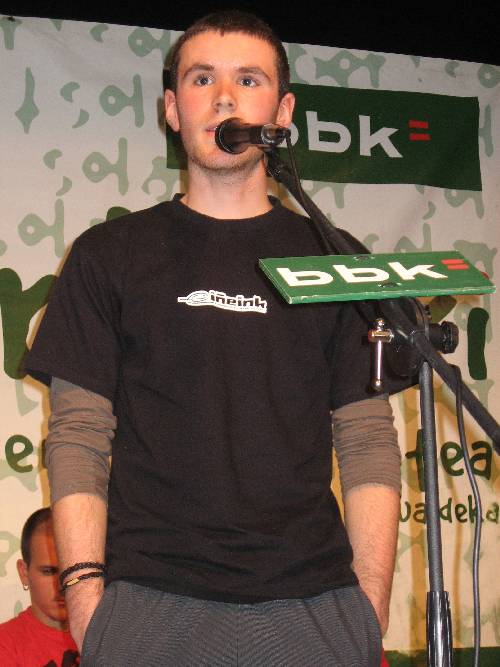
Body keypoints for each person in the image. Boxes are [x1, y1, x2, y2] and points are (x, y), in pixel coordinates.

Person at [25, 10, 410, 665]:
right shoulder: (109, 254)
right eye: (202, 79)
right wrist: (86, 597)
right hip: (149, 603)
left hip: (313, 605)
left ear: (282, 112)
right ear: (172, 108)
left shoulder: (335, 259)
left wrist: (369, 602)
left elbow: (368, 438)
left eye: (248, 80)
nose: (225, 97)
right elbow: (78, 435)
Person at [0, 508, 79, 666]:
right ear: (24, 573)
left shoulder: (105, 634)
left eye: (69, 572)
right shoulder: (5, 645)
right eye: (49, 571)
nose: (61, 585)